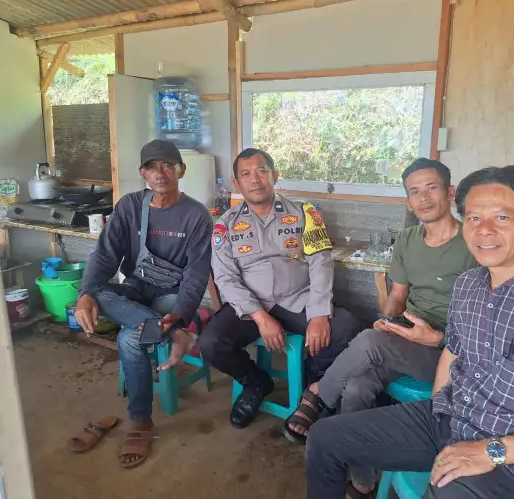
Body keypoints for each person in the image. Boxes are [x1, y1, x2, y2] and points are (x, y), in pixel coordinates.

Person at [305, 165, 514, 499]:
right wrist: (439, 406)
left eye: (501, 217)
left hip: (513, 460)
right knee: (324, 438)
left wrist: (490, 451)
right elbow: (453, 351)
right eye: (473, 218)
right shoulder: (469, 285)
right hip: (452, 419)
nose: (484, 230)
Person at [283, 158, 478, 498]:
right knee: (356, 388)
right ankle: (364, 481)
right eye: (414, 192)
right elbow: (398, 297)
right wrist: (388, 319)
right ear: (408, 202)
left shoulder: (474, 244)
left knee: (371, 342)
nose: (424, 198)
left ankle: (317, 393)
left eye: (432, 188)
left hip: (451, 353)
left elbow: (486, 324)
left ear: (450, 192)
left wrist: (438, 337)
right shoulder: (407, 239)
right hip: (406, 339)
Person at [73, 139, 213, 469]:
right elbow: (106, 254)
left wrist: (180, 315)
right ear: (143, 173)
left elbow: (196, 275)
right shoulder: (130, 206)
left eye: (167, 166)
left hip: (172, 295)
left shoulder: (197, 215)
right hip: (136, 286)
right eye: (152, 167)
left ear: (181, 170)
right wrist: (85, 293)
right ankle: (174, 334)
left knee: (129, 339)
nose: (160, 173)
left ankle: (140, 420)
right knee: (95, 292)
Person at [198, 148, 361, 429]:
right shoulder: (225, 225)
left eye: (262, 171)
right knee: (210, 343)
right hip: (251, 304)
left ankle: (313, 385)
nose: (255, 180)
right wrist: (260, 317)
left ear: (275, 176)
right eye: (246, 174)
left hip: (298, 298)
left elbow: (321, 263)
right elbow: (225, 278)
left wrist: (319, 314)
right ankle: (255, 382)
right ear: (236, 183)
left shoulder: (304, 214)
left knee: (345, 327)